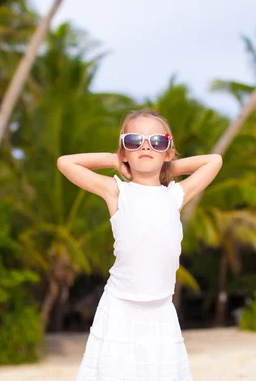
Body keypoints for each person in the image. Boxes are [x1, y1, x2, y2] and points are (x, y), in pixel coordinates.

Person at [56, 109, 223, 381]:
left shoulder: (175, 195)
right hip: (121, 306)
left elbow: (214, 160)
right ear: (124, 151)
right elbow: (65, 163)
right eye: (134, 141)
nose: (145, 146)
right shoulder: (116, 191)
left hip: (161, 309)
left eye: (157, 141)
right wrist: (116, 160)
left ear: (168, 151)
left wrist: (166, 166)